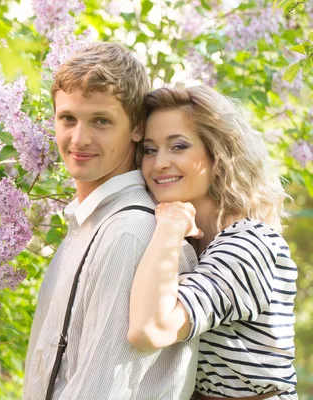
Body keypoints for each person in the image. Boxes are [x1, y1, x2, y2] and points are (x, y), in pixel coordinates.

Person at [24, 42, 200, 400]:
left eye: (101, 121)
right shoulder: (89, 225)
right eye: (68, 119)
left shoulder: (130, 234)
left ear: (136, 128)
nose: (80, 139)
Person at [128, 85, 298, 399]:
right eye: (150, 150)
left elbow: (149, 330)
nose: (159, 163)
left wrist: (171, 223)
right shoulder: (192, 244)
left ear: (218, 154)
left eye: (178, 146)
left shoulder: (249, 245)